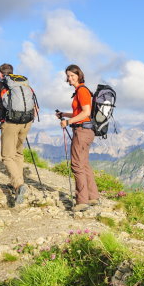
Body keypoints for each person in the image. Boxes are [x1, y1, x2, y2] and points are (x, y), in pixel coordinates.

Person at [0, 63, 32, 207]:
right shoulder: (24, 84)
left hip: (9, 122)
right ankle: (18, 182)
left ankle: (18, 185)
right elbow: (35, 106)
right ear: (12, 72)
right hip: (26, 122)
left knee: (6, 156)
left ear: (0, 74)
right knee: (18, 152)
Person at [56, 64, 99, 212]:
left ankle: (82, 201)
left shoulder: (81, 91)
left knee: (76, 164)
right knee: (84, 163)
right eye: (68, 76)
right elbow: (80, 113)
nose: (70, 78)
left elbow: (86, 113)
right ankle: (93, 197)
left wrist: (67, 122)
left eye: (72, 75)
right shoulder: (81, 90)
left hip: (82, 131)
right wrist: (65, 114)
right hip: (86, 130)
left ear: (79, 75)